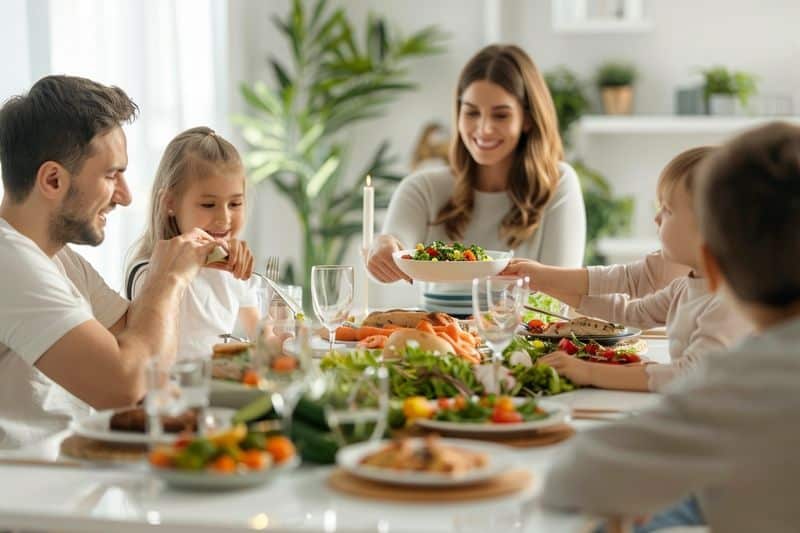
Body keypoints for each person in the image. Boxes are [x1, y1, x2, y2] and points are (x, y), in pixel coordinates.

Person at [542, 122, 800, 532]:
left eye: (667, 209)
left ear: (712, 265)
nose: (657, 217)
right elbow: (634, 310)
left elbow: (570, 478)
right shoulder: (689, 292)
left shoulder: (740, 380)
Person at [0, 75, 223, 449]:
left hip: (74, 477)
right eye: (111, 175)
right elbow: (131, 383)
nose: (126, 196)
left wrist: (173, 266)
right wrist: (167, 279)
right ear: (53, 180)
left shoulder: (58, 258)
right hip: (27, 496)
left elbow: (138, 339)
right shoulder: (8, 262)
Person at [504, 147, 751, 391]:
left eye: (667, 210)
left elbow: (688, 375)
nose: (656, 219)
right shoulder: (684, 288)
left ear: (708, 228)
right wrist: (542, 284)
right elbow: (629, 314)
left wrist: (589, 372)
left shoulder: (727, 302)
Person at [367, 45, 586, 292]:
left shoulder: (558, 183)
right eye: (471, 113)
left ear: (527, 119)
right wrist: (383, 247)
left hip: (523, 330)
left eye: (500, 116)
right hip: (437, 330)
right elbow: (394, 247)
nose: (483, 129)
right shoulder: (422, 188)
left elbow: (562, 292)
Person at [125, 127, 258, 359]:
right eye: (208, 204)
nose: (224, 218)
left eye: (235, 204)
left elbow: (262, 335)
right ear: (170, 203)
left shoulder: (229, 268)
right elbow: (151, 358)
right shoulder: (150, 273)